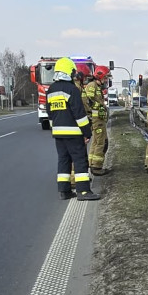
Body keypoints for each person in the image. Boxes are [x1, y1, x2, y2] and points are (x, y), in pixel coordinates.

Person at [47, 57, 99, 201]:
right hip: (73, 133)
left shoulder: (51, 90)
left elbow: (50, 114)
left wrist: (54, 130)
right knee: (80, 160)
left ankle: (64, 191)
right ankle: (83, 192)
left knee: (63, 160)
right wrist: (87, 132)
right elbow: (79, 114)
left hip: (58, 133)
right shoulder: (72, 90)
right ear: (68, 72)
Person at [82, 65, 111, 175]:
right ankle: (96, 167)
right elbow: (88, 101)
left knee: (96, 142)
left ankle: (92, 164)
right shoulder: (92, 85)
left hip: (99, 119)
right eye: (105, 78)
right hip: (96, 119)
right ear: (100, 76)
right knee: (101, 142)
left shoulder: (97, 87)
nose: (106, 80)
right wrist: (99, 107)